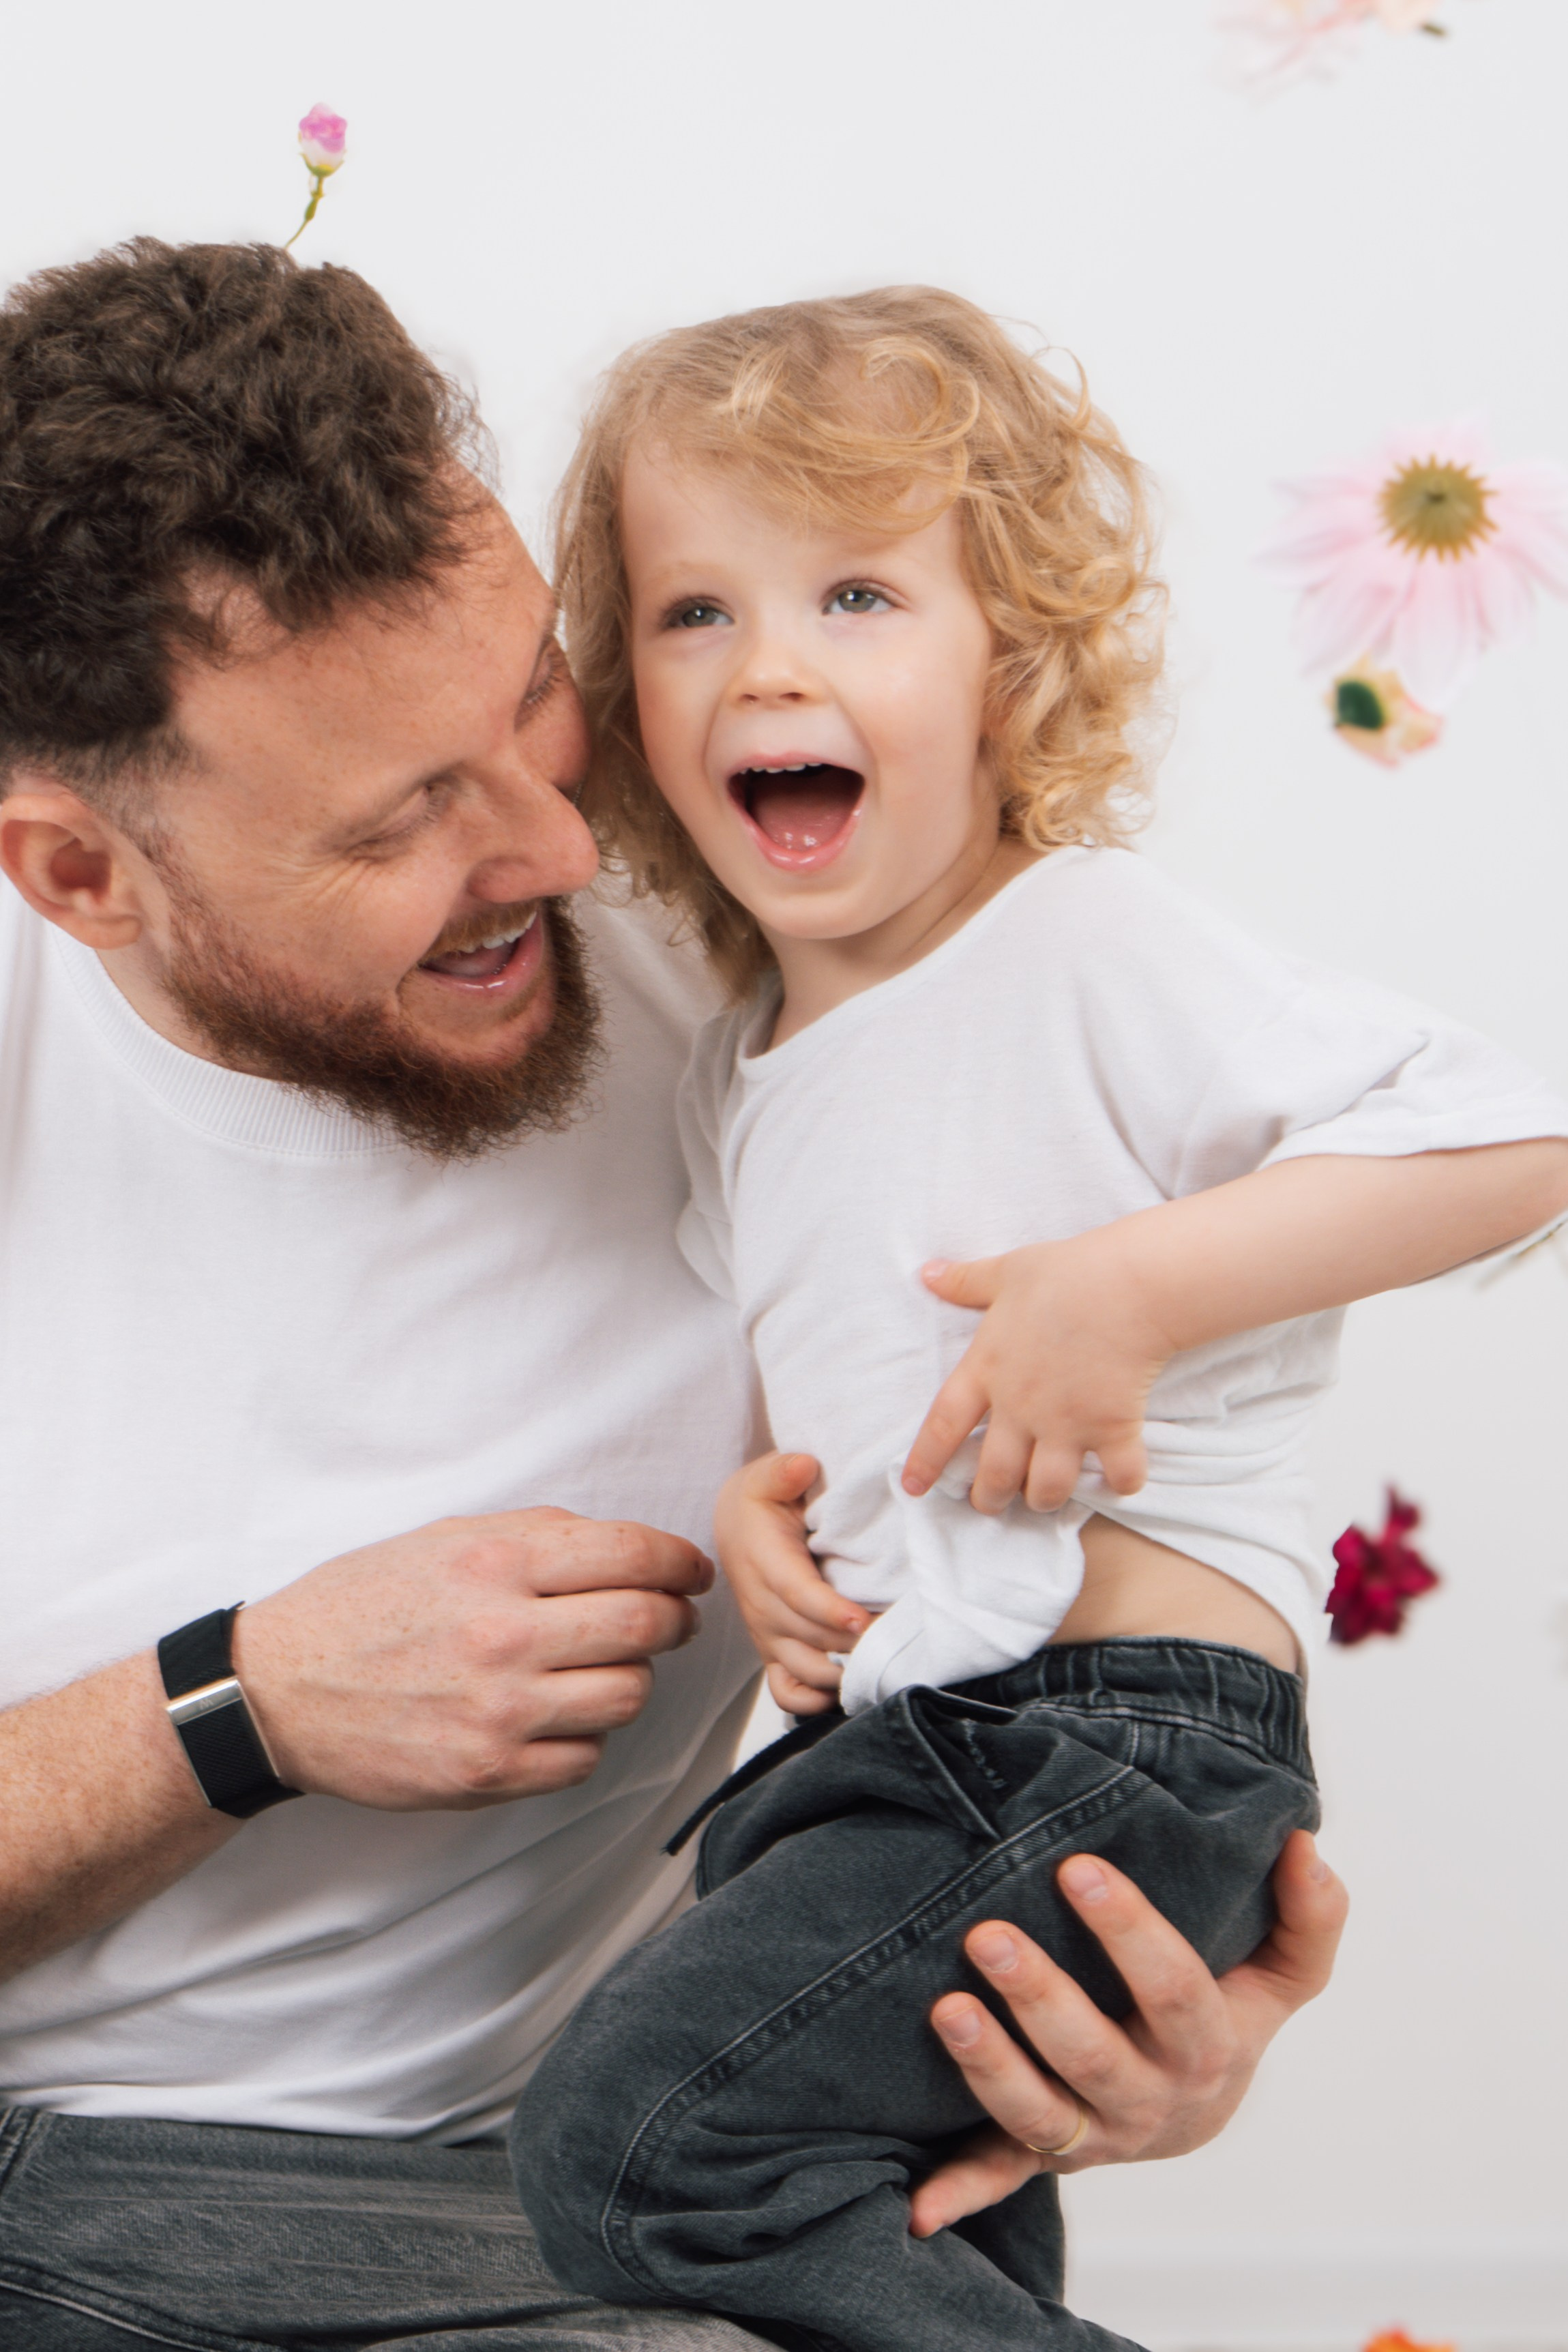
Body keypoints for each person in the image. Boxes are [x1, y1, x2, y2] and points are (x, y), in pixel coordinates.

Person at [0, 243, 1347, 2351]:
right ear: (82, 876)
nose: (555, 843)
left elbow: (1081, 1525)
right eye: (402, 816)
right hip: (91, 2184)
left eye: (536, 694)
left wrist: (1114, 2000)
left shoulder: (774, 984)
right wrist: (234, 1706)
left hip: (644, 2148)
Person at [507, 289, 1568, 2352]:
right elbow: (838, 1369)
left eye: (857, 596)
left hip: (1108, 1738)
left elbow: (1516, 1142)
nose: (773, 665)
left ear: (1015, 660)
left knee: (629, 2150)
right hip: (912, 1739)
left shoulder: (1081, 940)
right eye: (691, 613)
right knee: (889, 2241)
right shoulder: (746, 1060)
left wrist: (1130, 1285)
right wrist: (765, 1518)